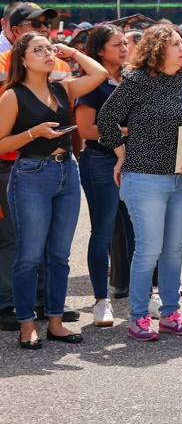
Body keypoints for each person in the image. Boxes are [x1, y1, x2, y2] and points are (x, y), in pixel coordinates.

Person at [96, 23, 182, 342]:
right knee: (148, 249)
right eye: (176, 43)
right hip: (144, 178)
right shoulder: (137, 80)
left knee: (173, 249)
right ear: (158, 48)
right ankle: (139, 315)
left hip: (179, 178)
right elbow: (106, 119)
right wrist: (121, 153)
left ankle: (171, 312)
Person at [0, 33, 107, 348]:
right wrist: (33, 133)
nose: (47, 53)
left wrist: (71, 51)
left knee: (59, 255)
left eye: (49, 48)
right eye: (39, 49)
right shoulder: (12, 95)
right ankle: (27, 324)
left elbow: (98, 74)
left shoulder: (61, 88)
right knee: (29, 255)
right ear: (23, 59)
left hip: (67, 171)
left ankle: (56, 322)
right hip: (31, 173)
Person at [73, 24, 130, 327]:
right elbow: (86, 130)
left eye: (125, 43)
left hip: (134, 163)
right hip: (99, 162)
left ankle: (147, 293)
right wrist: (126, 131)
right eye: (116, 44)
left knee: (137, 230)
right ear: (98, 51)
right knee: (103, 231)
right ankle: (100, 300)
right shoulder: (91, 84)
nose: (124, 48)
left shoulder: (131, 78)